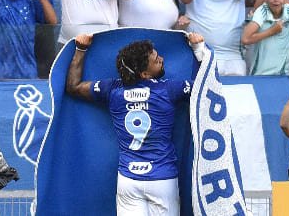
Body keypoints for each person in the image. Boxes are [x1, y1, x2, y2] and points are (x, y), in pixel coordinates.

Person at [65, 32, 205, 216]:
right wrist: (198, 49)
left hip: (128, 179)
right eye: (156, 60)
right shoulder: (169, 89)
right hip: (162, 179)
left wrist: (81, 49)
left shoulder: (111, 90)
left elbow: (73, 86)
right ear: (144, 74)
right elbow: (205, 87)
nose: (162, 59)